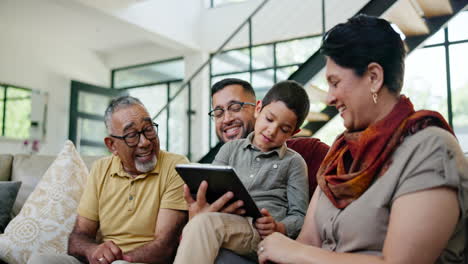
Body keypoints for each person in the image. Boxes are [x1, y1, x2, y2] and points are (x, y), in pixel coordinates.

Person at [256, 14, 468, 264]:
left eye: (335, 83)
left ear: (373, 78)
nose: (329, 98)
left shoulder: (430, 149)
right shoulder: (341, 154)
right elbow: (308, 240)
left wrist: (293, 252)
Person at [28, 96, 189, 264]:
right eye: (132, 135)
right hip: (101, 261)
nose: (145, 142)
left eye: (148, 129)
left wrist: (116, 260)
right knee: (40, 260)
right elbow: (78, 238)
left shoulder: (176, 166)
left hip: (140, 262)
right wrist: (93, 251)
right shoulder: (100, 169)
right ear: (112, 145)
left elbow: (165, 247)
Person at [174, 80, 311, 264]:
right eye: (269, 119)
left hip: (262, 236)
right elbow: (208, 188)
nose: (272, 130)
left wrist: (279, 227)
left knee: (204, 224)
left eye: (284, 129)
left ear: (294, 132)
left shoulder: (294, 162)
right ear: (259, 109)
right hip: (226, 226)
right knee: (202, 223)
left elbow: (301, 217)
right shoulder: (230, 149)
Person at [200, 78, 329, 197]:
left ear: (257, 108)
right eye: (218, 113)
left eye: (235, 107)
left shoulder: (310, 153)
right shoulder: (222, 162)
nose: (227, 119)